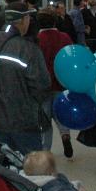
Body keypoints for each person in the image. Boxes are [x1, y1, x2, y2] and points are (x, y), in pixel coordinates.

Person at [0, 4, 52, 154]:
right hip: (25, 122)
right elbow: (42, 86)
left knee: (4, 165)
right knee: (31, 170)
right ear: (23, 20)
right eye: (28, 17)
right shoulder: (29, 49)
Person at [35, 9, 74, 157]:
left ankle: (45, 150)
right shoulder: (64, 37)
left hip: (43, 86)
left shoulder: (37, 39)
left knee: (44, 119)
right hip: (61, 83)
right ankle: (65, 135)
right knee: (61, 114)